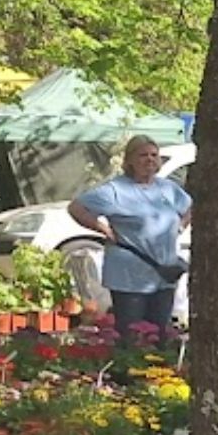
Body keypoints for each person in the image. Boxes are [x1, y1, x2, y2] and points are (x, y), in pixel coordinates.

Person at [70, 136, 193, 340]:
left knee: (159, 334)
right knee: (132, 335)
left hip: (164, 275)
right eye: (143, 155)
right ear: (130, 161)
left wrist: (180, 227)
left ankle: (157, 371)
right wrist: (103, 229)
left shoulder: (167, 189)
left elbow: (189, 207)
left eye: (154, 155)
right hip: (129, 276)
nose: (149, 160)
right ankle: (128, 370)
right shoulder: (115, 190)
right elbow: (76, 208)